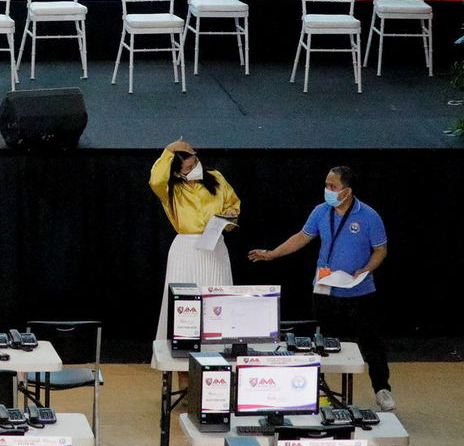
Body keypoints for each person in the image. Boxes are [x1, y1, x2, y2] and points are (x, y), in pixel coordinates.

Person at [248, 165, 392, 410]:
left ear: (347, 191)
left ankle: (382, 389)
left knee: (371, 343)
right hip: (325, 289)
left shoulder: (368, 216)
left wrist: (366, 269)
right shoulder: (321, 211)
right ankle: (316, 391)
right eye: (326, 185)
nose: (327, 190)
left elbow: (380, 250)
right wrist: (272, 254)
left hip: (360, 291)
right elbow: (301, 237)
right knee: (321, 342)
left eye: (333, 186)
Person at [150, 138, 240, 339]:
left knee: (216, 295)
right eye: (188, 168)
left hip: (214, 244)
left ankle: (218, 348)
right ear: (176, 172)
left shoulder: (216, 177)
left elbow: (233, 203)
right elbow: (155, 180)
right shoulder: (170, 189)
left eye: (195, 163)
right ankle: (180, 354)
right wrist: (169, 150)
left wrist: (231, 214)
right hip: (186, 249)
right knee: (184, 302)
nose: (194, 169)